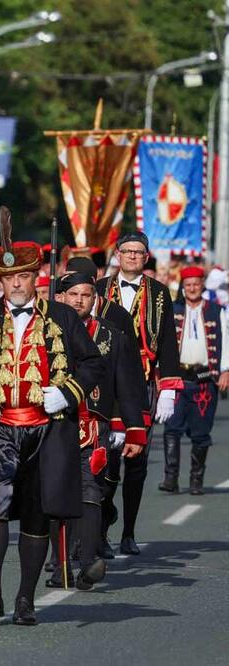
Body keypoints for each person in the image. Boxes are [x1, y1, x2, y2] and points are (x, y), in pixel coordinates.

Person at [0, 238, 104, 625]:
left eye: (24, 276)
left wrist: (66, 394)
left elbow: (91, 364)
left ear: (37, 277)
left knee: (39, 513)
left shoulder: (63, 318)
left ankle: (25, 598)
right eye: (9, 277)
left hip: (47, 429)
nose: (17, 284)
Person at [50, 271, 148, 589]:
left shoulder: (110, 336)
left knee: (91, 489)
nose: (80, 300)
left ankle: (89, 560)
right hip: (50, 424)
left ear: (96, 299)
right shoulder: (42, 332)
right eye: (74, 294)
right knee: (53, 492)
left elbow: (128, 385)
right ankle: (58, 562)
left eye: (87, 295)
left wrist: (132, 429)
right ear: (61, 297)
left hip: (93, 425)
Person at [96, 231, 182, 555]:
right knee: (104, 459)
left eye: (138, 252)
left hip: (142, 383)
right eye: (127, 251)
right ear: (117, 254)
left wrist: (169, 389)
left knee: (137, 460)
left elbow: (169, 342)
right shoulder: (100, 289)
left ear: (146, 258)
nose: (132, 257)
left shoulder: (160, 293)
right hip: (103, 386)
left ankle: (128, 531)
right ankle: (101, 529)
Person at [161, 265, 229, 495]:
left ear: (202, 286)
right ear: (183, 287)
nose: (192, 288)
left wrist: (225, 370)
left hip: (204, 380)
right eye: (188, 285)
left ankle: (196, 480)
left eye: (196, 284)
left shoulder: (216, 310)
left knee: (201, 432)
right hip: (178, 378)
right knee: (172, 428)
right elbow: (164, 343)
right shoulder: (173, 309)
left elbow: (226, 341)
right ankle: (170, 478)